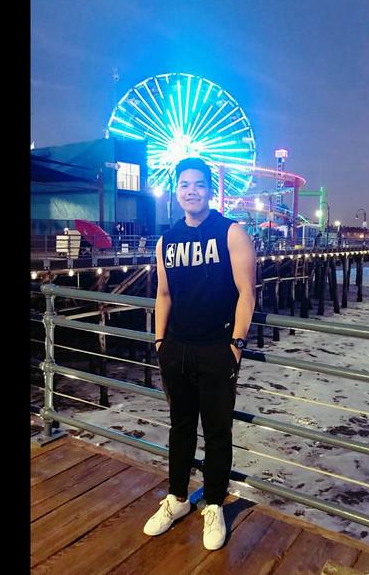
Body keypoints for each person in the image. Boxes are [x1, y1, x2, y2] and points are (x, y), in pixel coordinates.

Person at [143, 157, 256, 551]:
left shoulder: (231, 233)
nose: (191, 191)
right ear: (177, 191)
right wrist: (160, 343)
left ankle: (213, 505)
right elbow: (163, 294)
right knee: (180, 428)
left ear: (210, 189)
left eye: (199, 184)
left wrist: (235, 346)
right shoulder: (167, 240)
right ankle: (176, 499)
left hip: (216, 350)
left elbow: (247, 293)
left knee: (218, 432)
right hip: (176, 349)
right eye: (184, 184)